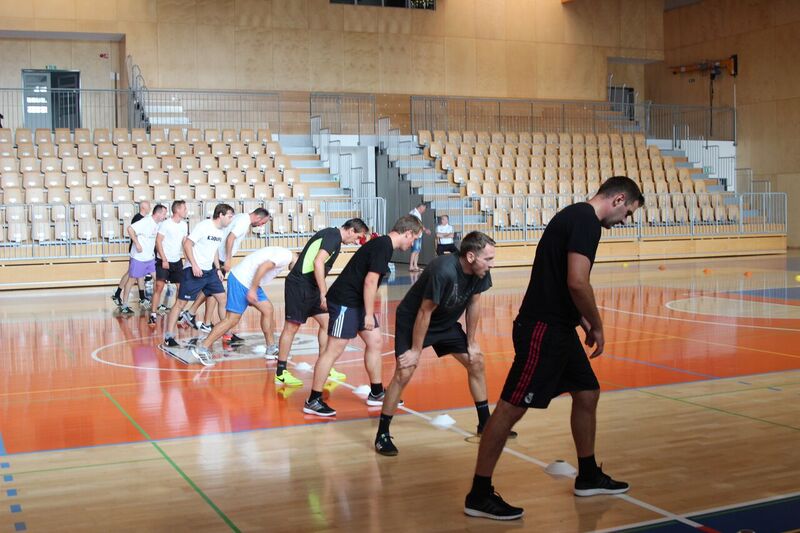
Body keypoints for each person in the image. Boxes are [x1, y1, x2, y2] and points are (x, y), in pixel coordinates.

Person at [464, 176, 644, 520]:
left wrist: (582, 321)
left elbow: (561, 280)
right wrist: (597, 323)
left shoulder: (575, 217)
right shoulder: (586, 222)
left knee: (587, 392)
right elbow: (577, 281)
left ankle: (588, 475)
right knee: (510, 409)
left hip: (559, 328)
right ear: (619, 199)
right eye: (628, 213)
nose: (625, 221)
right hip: (543, 330)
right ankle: (479, 493)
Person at [375, 231, 510, 456]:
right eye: (488, 259)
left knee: (476, 361)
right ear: (470, 257)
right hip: (414, 320)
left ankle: (485, 424)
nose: (492, 264)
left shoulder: (481, 271)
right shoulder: (443, 270)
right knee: (405, 371)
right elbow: (424, 312)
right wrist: (416, 351)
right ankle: (382, 434)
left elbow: (474, 304)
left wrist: (471, 342)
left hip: (445, 324)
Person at [303, 215, 423, 417]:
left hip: (357, 302)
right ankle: (313, 400)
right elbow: (370, 282)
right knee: (333, 349)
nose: (413, 244)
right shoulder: (383, 246)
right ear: (408, 233)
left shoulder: (384, 245)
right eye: (415, 239)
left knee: (375, 341)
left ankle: (376, 393)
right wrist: (368, 314)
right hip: (345, 301)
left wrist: (366, 312)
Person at [273, 219, 370, 387]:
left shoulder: (335, 239)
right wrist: (324, 293)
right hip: (300, 285)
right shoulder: (332, 235)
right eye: (357, 237)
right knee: (291, 327)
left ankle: (325, 366)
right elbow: (317, 262)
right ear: (351, 231)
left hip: (312, 287)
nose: (356, 242)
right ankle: (281, 372)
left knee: (326, 322)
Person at [190, 247, 296, 366]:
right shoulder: (286, 256)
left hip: (249, 281)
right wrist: (253, 290)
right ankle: (203, 348)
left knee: (268, 309)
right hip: (242, 281)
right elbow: (263, 267)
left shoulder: (284, 255)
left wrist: (254, 288)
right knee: (231, 319)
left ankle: (271, 348)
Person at [179, 208, 271, 336]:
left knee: (212, 291)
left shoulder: (241, 217)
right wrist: (228, 259)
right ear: (258, 217)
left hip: (218, 257)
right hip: (219, 258)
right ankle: (197, 316)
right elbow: (230, 238)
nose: (261, 225)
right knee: (215, 292)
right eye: (263, 222)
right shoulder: (244, 222)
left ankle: (200, 318)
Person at [162, 204, 235, 348]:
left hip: (210, 272)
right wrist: (194, 265)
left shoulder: (221, 232)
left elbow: (214, 251)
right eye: (229, 216)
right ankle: (168, 336)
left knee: (222, 299)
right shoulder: (204, 226)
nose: (231, 219)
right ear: (220, 215)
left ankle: (227, 333)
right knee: (180, 303)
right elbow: (187, 244)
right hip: (193, 270)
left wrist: (217, 269)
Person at [119, 204, 168, 315]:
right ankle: (124, 305)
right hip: (139, 257)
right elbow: (130, 229)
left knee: (158, 280)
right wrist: (137, 243)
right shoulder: (145, 222)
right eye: (164, 214)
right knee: (131, 280)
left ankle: (156, 303)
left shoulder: (158, 224)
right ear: (158, 213)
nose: (165, 216)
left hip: (150, 258)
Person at [148, 200, 188, 325]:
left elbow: (184, 242)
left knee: (181, 288)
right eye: (184, 209)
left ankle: (178, 313)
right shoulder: (165, 224)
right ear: (177, 210)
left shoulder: (184, 225)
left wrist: (188, 258)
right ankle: (153, 314)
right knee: (159, 286)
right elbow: (158, 241)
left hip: (177, 260)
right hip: (163, 260)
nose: (186, 211)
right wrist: (164, 259)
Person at [112, 200, 151, 307]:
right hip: (136, 250)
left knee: (139, 273)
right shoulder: (138, 218)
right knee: (131, 273)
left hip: (140, 250)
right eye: (148, 206)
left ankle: (142, 297)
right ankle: (117, 294)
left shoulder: (144, 219)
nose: (150, 208)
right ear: (143, 207)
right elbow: (134, 233)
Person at [408, 202, 431, 272]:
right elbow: (418, 224)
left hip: (418, 234)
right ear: (421, 207)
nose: (424, 211)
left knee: (417, 251)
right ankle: (411, 266)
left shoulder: (417, 213)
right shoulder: (414, 213)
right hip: (415, 235)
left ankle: (415, 266)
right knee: (414, 250)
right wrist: (425, 230)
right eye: (424, 209)